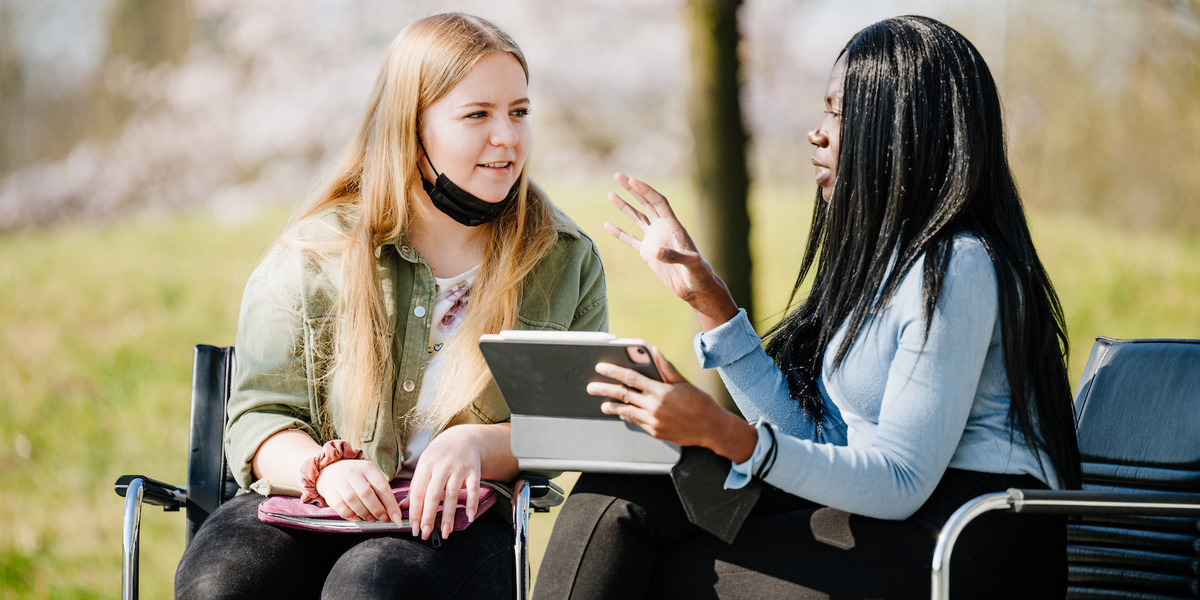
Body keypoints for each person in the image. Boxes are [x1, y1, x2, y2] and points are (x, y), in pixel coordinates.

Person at [535, 15, 1079, 600]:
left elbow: (902, 480)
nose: (816, 133)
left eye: (840, 114)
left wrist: (723, 433)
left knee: (674, 574)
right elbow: (813, 441)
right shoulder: (887, 267)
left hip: (968, 538)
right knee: (622, 492)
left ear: (904, 130)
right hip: (886, 515)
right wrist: (711, 304)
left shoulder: (960, 266)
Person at [174, 13, 607, 600]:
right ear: (412, 128)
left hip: (458, 524)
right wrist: (322, 470)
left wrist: (478, 444)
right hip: (305, 504)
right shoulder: (317, 251)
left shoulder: (564, 259)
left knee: (374, 586)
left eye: (519, 112)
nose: (507, 136)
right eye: (477, 114)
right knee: (221, 584)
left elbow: (572, 426)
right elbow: (259, 417)